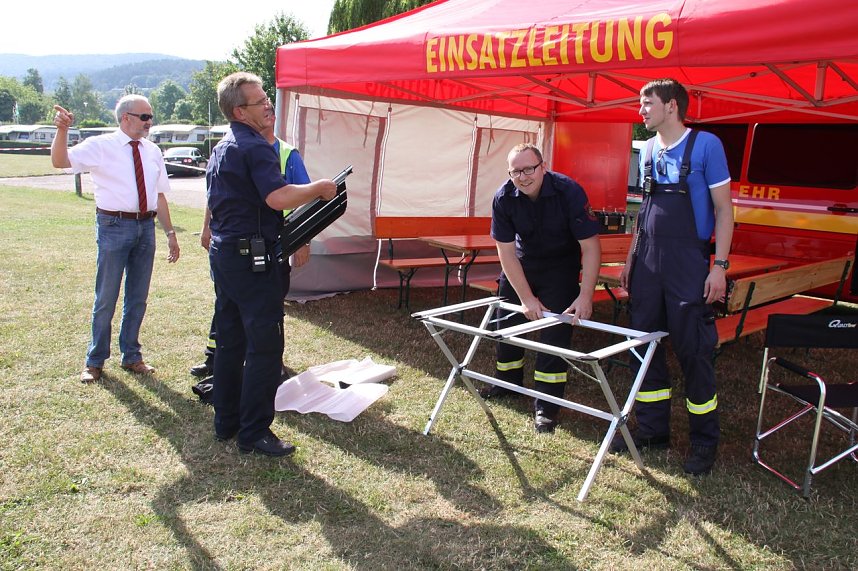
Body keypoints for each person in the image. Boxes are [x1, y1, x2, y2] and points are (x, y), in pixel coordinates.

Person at [206, 71, 336, 457]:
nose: (268, 105)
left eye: (267, 98)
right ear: (238, 111)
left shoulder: (222, 146)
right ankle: (254, 433)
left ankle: (225, 422)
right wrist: (320, 188)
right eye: (259, 101)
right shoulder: (256, 146)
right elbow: (278, 197)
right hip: (253, 261)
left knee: (230, 342)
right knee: (264, 347)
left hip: (226, 255)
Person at [610, 78, 733, 476]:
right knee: (643, 347)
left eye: (647, 104)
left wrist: (720, 266)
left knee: (694, 351)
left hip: (688, 264)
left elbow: (725, 211)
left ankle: (703, 442)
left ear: (672, 106)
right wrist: (631, 257)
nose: (641, 111)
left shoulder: (706, 146)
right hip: (647, 262)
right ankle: (651, 430)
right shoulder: (646, 149)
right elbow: (644, 212)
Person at [51, 96, 181, 383]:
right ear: (126, 118)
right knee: (106, 297)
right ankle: (94, 361)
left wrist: (170, 233)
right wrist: (62, 131)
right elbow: (60, 161)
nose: (150, 122)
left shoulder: (152, 151)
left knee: (138, 298)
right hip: (113, 225)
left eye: (151, 116)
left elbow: (159, 195)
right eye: (144, 117)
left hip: (145, 228)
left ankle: (131, 356)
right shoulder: (100, 146)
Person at [485, 142, 602, 433]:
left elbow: (591, 247)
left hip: (561, 267)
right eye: (516, 172)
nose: (523, 177)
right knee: (507, 323)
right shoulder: (503, 197)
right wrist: (525, 297)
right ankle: (508, 384)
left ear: (543, 167)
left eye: (529, 169)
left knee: (554, 337)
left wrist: (585, 295)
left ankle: (546, 406)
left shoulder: (569, 191)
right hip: (522, 264)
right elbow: (506, 251)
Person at [192, 121, 312, 401]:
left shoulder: (286, 153)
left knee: (265, 317)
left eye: (269, 105)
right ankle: (223, 363)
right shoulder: (230, 147)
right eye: (261, 104)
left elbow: (302, 198)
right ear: (242, 113)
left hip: (275, 246)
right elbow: (216, 195)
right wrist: (207, 225)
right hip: (240, 250)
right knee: (231, 316)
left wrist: (303, 241)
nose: (268, 111)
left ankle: (265, 367)